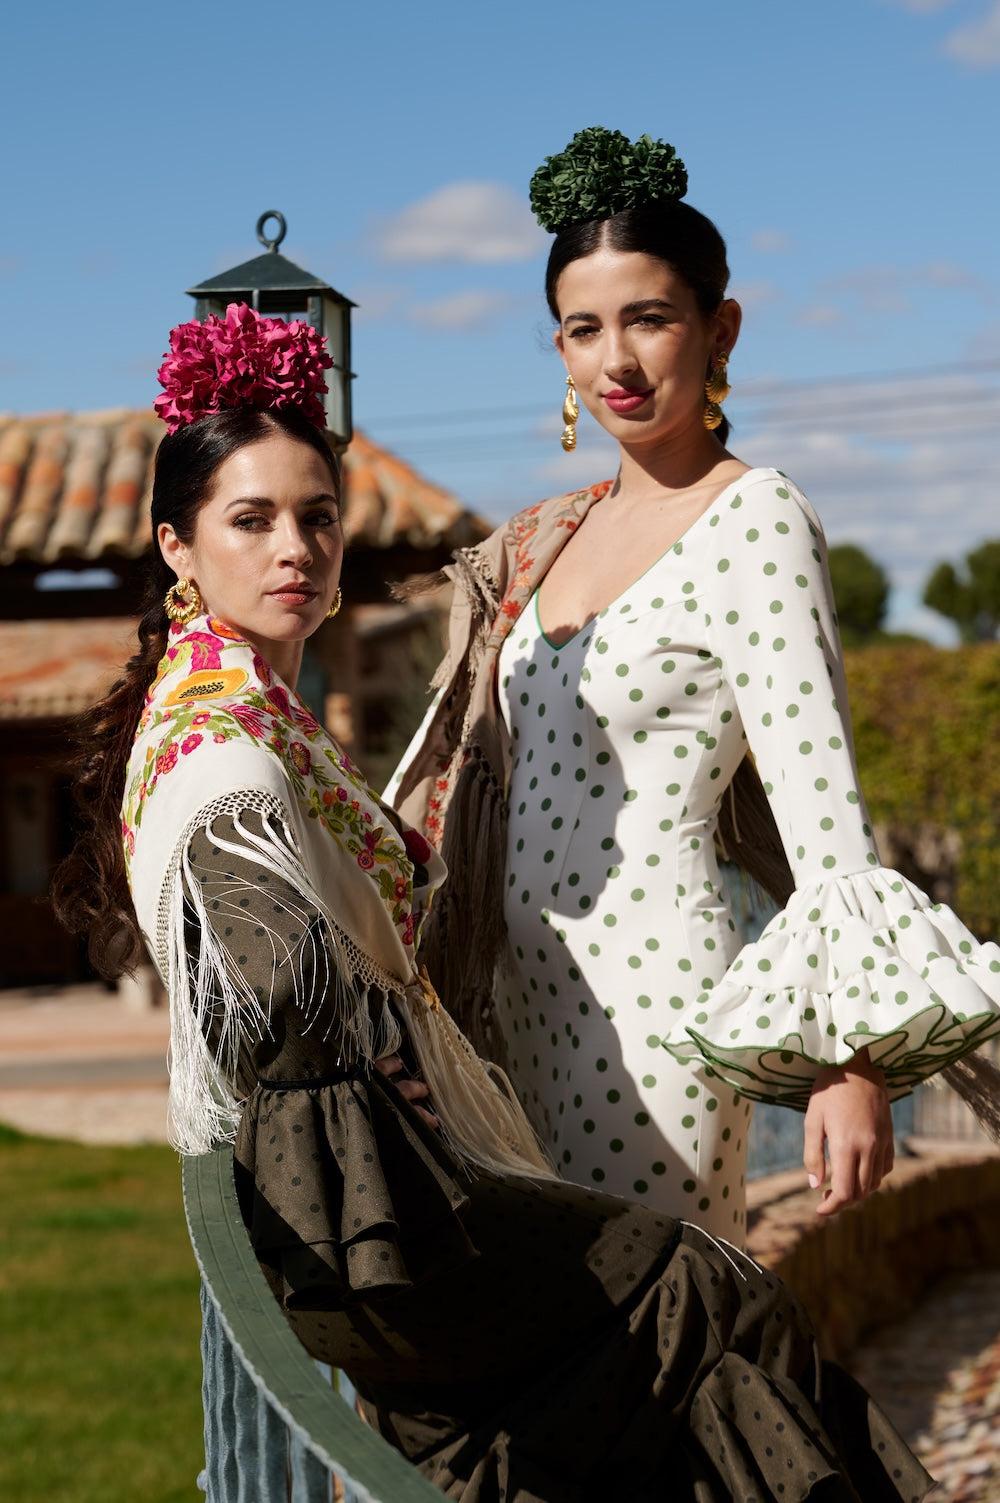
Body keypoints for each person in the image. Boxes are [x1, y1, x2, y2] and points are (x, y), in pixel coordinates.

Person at [52, 302, 935, 1503]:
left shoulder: (249, 711)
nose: (294, 550)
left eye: (317, 517)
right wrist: (385, 1068)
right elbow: (278, 993)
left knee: (712, 1339)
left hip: (369, 1196)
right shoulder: (223, 752)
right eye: (249, 521)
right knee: (708, 1304)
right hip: (361, 1224)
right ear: (177, 547)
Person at [392, 126, 1000, 1243]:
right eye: (583, 328)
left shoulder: (754, 519)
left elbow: (825, 810)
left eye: (648, 319)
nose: (615, 360)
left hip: (656, 999)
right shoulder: (552, 536)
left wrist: (847, 1061)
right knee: (547, 1341)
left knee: (647, 1334)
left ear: (719, 330)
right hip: (514, 998)